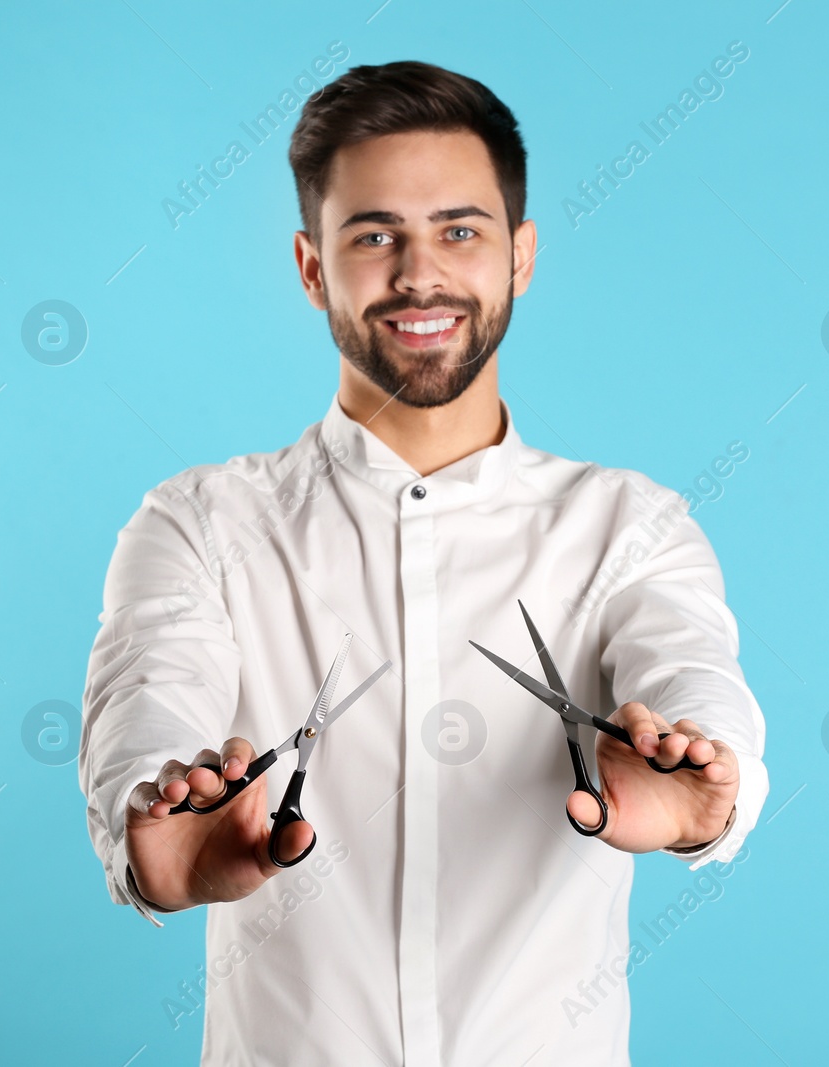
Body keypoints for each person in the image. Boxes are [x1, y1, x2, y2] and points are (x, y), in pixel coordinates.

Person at [78, 59, 768, 1065]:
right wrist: (154, 826)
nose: (418, 273)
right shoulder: (197, 521)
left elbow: (696, 675)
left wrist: (701, 787)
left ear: (519, 256)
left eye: (459, 230)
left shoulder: (632, 526)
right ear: (312, 267)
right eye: (373, 236)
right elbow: (150, 701)